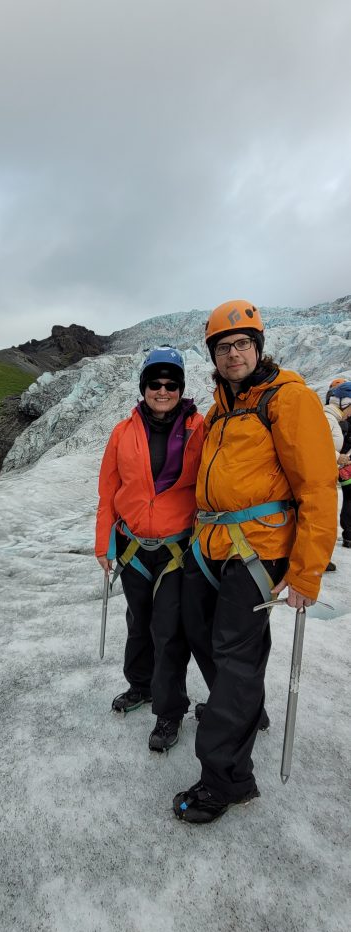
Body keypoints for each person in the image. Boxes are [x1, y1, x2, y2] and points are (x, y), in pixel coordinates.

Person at [174, 299, 338, 824]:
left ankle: (227, 781)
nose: (233, 354)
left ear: (258, 348)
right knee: (202, 634)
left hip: (259, 551)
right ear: (214, 356)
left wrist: (307, 570)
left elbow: (317, 486)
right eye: (223, 347)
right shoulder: (224, 407)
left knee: (236, 658)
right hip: (215, 546)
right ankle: (243, 709)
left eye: (242, 344)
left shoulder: (288, 400)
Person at [95, 347, 204, 752]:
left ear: (180, 388)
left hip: (178, 549)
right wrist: (103, 543)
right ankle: (140, 686)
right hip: (134, 548)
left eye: (171, 383)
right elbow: (108, 491)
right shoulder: (122, 432)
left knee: (169, 631)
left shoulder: (200, 429)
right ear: (143, 388)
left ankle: (170, 710)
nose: (163, 390)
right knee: (139, 622)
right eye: (155, 383)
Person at [324, 382, 351, 550]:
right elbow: (317, 444)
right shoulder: (328, 418)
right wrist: (338, 457)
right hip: (323, 474)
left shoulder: (334, 419)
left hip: (332, 471)